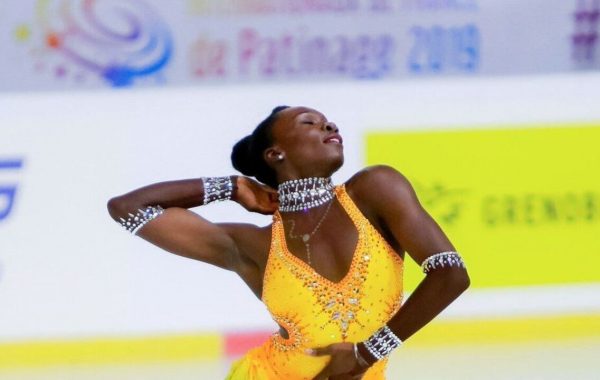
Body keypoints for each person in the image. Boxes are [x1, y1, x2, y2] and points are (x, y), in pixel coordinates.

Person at [107, 106, 470, 380]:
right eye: (308, 122)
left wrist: (367, 353)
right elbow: (128, 209)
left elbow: (450, 275)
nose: (330, 125)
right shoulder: (254, 245)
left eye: (327, 121)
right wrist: (232, 187)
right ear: (275, 154)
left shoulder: (375, 190)